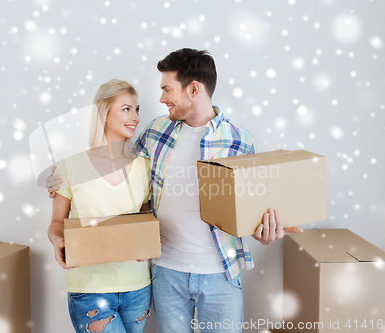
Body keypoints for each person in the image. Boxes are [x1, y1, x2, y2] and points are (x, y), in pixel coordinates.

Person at [47, 49, 303, 333]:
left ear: (193, 89)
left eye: (167, 89)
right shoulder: (156, 132)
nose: (161, 98)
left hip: (221, 273)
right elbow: (116, 166)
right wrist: (59, 177)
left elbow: (251, 211)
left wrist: (265, 231)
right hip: (166, 272)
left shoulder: (240, 141)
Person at [48, 79, 152, 333]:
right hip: (89, 289)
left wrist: (147, 243)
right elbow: (56, 224)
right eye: (126, 109)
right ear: (104, 113)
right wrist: (58, 242)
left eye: (137, 110)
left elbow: (146, 217)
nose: (135, 117)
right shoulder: (70, 166)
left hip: (137, 286)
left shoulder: (145, 167)